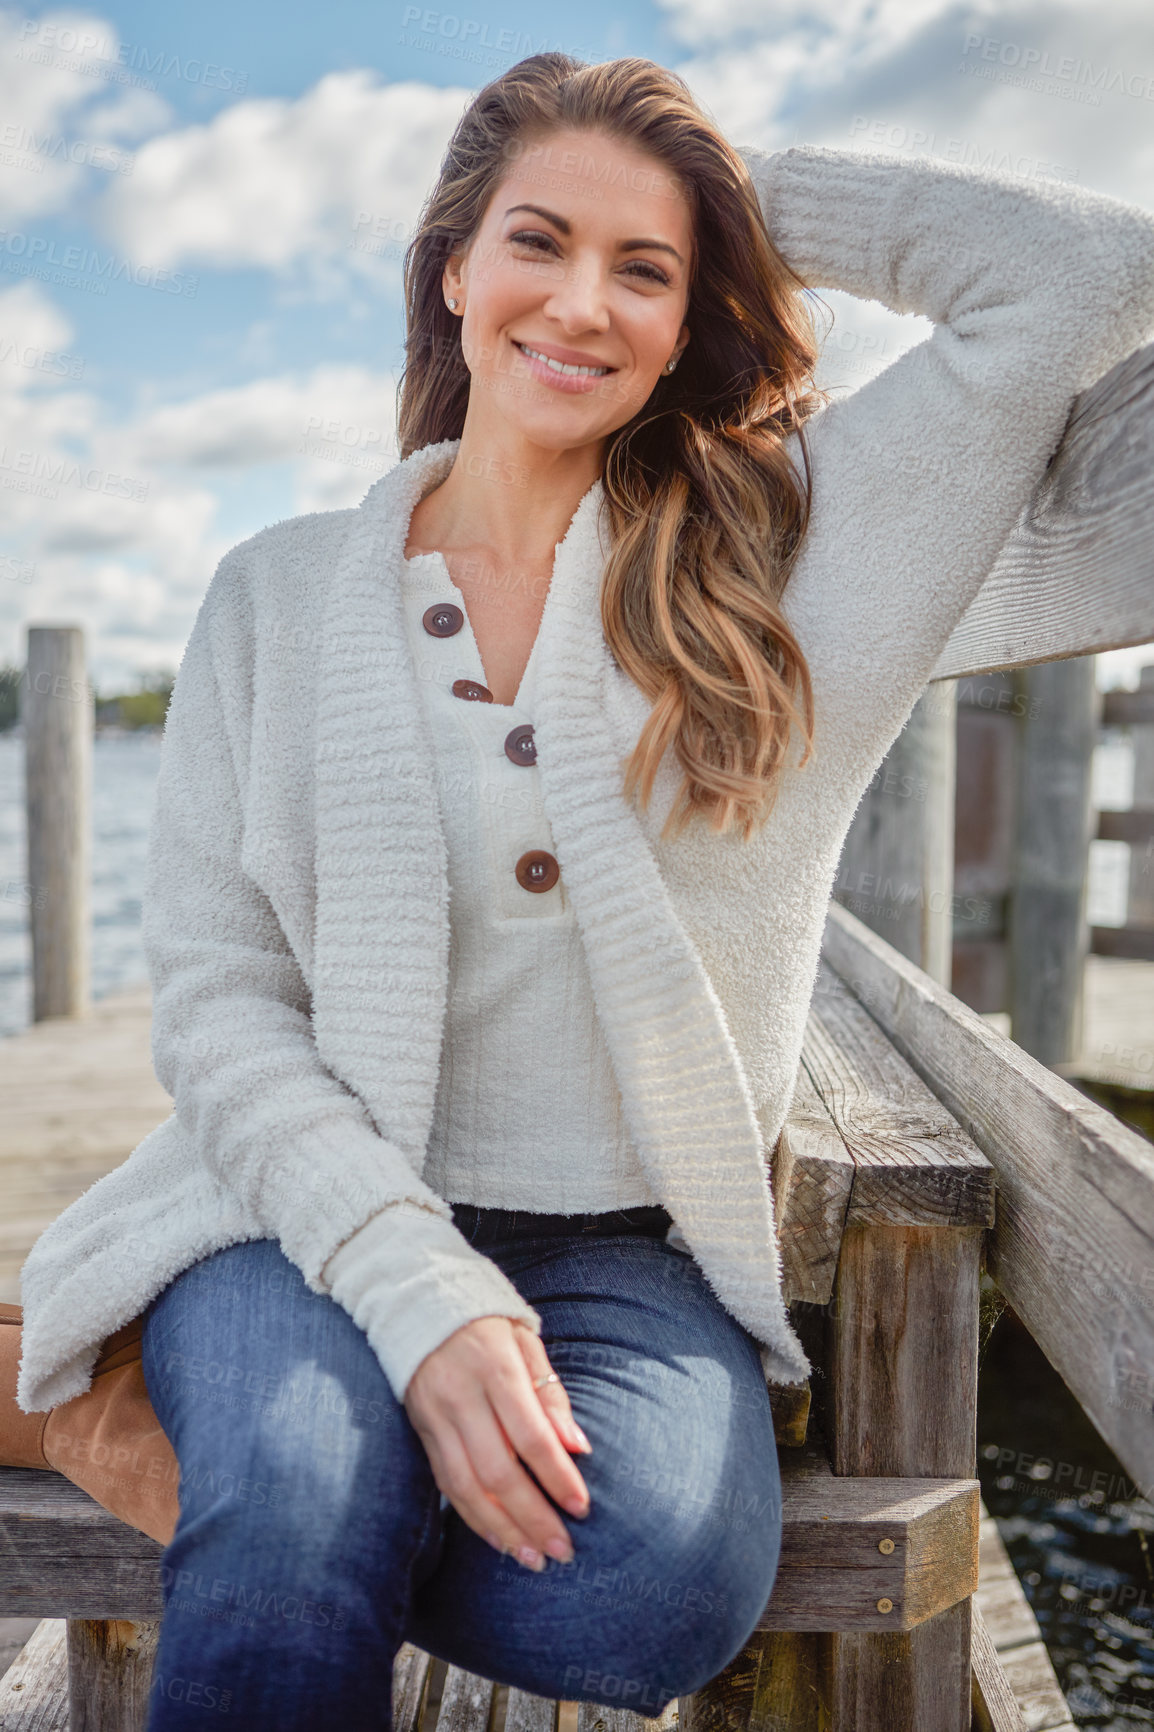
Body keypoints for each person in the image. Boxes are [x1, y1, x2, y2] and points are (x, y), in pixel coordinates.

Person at [7, 48, 1154, 1732]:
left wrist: (710, 176)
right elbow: (221, 1006)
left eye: (646, 269)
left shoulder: (797, 561)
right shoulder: (276, 595)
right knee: (304, 1493)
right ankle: (201, 1446)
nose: (582, 302)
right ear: (453, 268)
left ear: (693, 319)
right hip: (295, 1214)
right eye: (537, 240)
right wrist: (418, 1294)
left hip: (630, 1250)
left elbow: (1077, 279)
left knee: (644, 1589)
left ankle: (120, 1420)